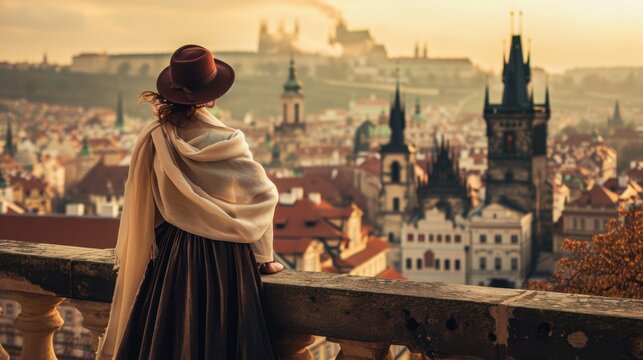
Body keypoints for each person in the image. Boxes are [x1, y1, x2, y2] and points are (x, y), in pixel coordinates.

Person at [96, 44, 284, 359]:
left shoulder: (156, 135)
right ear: (212, 95)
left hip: (172, 256)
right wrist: (264, 257)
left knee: (167, 339)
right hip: (223, 258)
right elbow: (264, 196)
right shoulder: (226, 141)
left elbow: (147, 201)